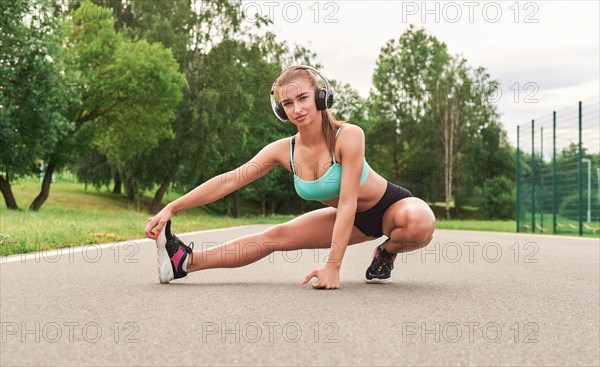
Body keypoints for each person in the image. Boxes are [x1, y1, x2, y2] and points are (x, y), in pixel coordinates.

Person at [145, 65, 436, 289]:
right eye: (287, 104)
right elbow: (230, 180)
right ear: (280, 111)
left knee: (420, 223)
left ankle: (387, 250)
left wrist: (333, 267)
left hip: (389, 207)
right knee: (273, 236)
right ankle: (183, 262)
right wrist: (172, 207)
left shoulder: (348, 136)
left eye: (303, 98)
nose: (297, 109)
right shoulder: (283, 151)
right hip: (352, 219)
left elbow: (348, 201)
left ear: (321, 97)